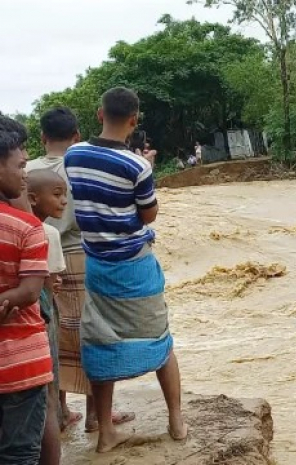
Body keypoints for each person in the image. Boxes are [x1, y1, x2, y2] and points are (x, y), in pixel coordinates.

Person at [64, 87, 187, 453]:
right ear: (134, 121)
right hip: (134, 265)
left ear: (100, 114)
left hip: (97, 266)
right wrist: (145, 165)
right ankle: (177, 421)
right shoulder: (137, 166)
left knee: (100, 342)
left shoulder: (74, 155)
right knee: (160, 339)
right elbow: (148, 214)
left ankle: (105, 434)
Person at [27, 107, 135, 433]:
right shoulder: (80, 165)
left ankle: (59, 411)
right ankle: (94, 415)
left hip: (38, 260)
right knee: (94, 333)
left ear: (42, 137)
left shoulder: (28, 170)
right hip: (80, 255)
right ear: (76, 135)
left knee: (52, 333)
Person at [0, 118, 52, 464]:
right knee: (19, 454)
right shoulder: (28, 228)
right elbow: (32, 292)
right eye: (20, 165)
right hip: (22, 364)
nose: (25, 173)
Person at [25, 169, 68, 465]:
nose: (64, 201)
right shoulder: (47, 234)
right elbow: (51, 287)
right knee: (48, 398)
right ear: (32, 199)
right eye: (57, 195)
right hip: (43, 318)